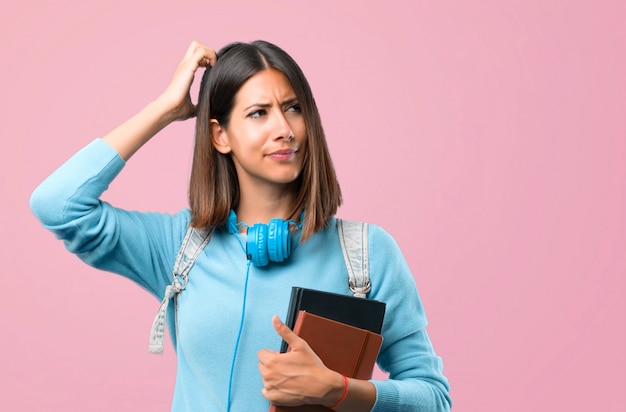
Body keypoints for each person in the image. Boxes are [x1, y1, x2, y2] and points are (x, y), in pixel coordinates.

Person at [30, 40, 451, 411]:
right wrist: (164, 109)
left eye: (292, 109)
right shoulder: (179, 246)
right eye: (258, 114)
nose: (284, 130)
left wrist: (339, 391)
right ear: (220, 136)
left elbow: (434, 398)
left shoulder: (367, 254)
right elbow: (58, 205)